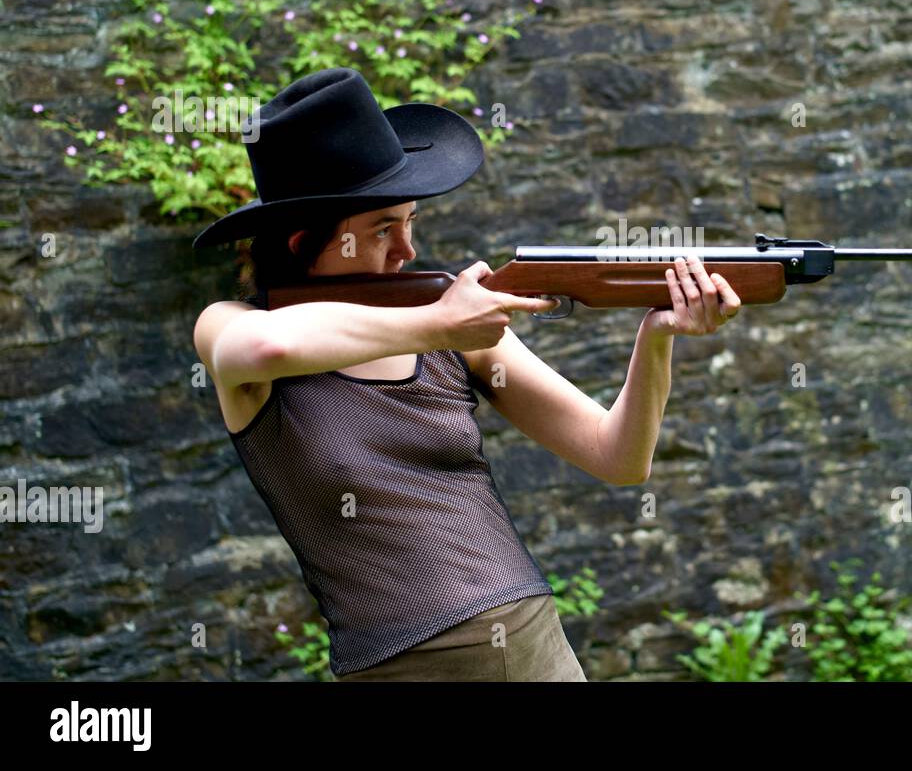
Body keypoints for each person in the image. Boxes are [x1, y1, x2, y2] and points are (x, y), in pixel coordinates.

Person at [191, 68, 741, 680]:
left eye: (411, 222)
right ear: (302, 244)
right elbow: (263, 349)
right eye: (381, 230)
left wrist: (657, 335)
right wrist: (439, 325)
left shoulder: (449, 328)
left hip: (537, 648)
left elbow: (618, 457)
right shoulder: (233, 324)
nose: (408, 251)